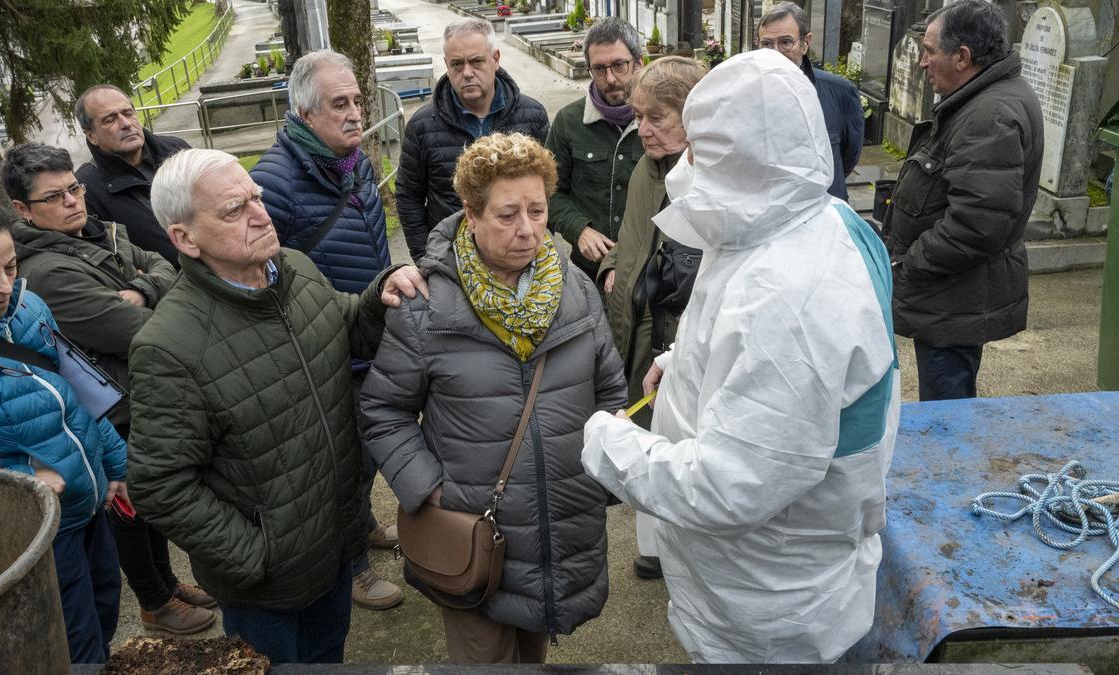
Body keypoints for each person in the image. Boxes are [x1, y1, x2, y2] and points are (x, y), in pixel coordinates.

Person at [582, 50, 900, 663]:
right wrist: (689, 364)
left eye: (702, 148)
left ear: (740, 154)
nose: (690, 163)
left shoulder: (788, 295)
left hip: (772, 609)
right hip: (781, 575)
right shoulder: (811, 217)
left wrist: (611, 445)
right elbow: (761, 351)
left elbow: (731, 485)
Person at [125, 149, 427, 664]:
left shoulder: (295, 269)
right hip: (266, 588)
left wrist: (380, 293)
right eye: (233, 210)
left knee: (329, 654)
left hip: (332, 545)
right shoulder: (169, 346)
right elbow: (159, 484)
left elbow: (343, 325)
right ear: (184, 239)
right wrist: (256, 556)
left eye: (257, 198)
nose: (261, 215)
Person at [360, 132, 627, 664]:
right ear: (471, 213)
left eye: (537, 210)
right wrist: (426, 487)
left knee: (533, 651)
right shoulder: (425, 307)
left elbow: (610, 390)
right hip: (473, 534)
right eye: (507, 215)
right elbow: (382, 410)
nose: (528, 230)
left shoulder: (577, 291)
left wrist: (605, 472)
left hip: (560, 529)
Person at [2, 142, 216, 636]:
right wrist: (150, 292)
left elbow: (167, 265)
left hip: (143, 390)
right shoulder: (46, 272)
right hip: (113, 407)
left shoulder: (102, 233)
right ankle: (154, 602)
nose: (73, 201)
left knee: (151, 503)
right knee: (130, 506)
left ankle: (166, 583)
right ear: (21, 210)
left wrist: (143, 286)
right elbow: (135, 328)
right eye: (53, 197)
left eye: (74, 188)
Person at [0, 194, 128, 663]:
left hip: (90, 508)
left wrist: (115, 462)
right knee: (71, 645)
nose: (4, 287)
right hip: (36, 539)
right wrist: (23, 487)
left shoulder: (31, 308)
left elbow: (76, 393)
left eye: (10, 267)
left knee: (104, 611)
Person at [250, 49, 401, 611]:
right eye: (341, 104)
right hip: (318, 349)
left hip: (366, 336)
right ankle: (353, 569)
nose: (357, 113)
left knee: (364, 454)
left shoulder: (352, 160)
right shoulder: (273, 183)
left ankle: (361, 526)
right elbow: (262, 280)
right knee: (338, 463)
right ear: (306, 114)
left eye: (359, 100)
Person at [886, 0, 1042, 401]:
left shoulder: (989, 116)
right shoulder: (984, 99)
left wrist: (909, 263)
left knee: (946, 415)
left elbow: (977, 225)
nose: (922, 63)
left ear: (963, 56)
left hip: (952, 301)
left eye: (929, 51)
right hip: (951, 298)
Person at [596, 56, 708, 581]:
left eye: (655, 117)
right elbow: (633, 232)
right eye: (637, 116)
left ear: (694, 115)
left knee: (689, 446)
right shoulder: (647, 166)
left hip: (683, 333)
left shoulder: (712, 176)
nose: (642, 129)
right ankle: (652, 547)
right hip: (641, 323)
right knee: (646, 431)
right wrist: (614, 265)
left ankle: (682, 550)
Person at [396, 17, 550, 261]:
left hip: (516, 258)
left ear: (495, 59)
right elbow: (408, 196)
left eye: (476, 61)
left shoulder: (532, 116)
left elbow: (545, 193)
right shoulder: (422, 125)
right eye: (457, 64)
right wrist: (424, 258)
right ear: (446, 65)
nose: (467, 73)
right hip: (449, 260)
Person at [546, 17, 644, 278]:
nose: (610, 78)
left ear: (639, 62)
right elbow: (548, 192)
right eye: (599, 69)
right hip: (589, 271)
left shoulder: (660, 122)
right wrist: (579, 229)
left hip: (648, 269)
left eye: (619, 65)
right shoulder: (568, 121)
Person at [75, 84, 191, 266]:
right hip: (168, 285)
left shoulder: (177, 150)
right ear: (91, 136)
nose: (125, 124)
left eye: (128, 113)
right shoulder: (85, 188)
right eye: (110, 120)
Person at [757, 2, 863, 200]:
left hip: (825, 211)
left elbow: (848, 156)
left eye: (786, 42)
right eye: (767, 44)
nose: (775, 53)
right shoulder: (745, 93)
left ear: (805, 43)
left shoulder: (840, 93)